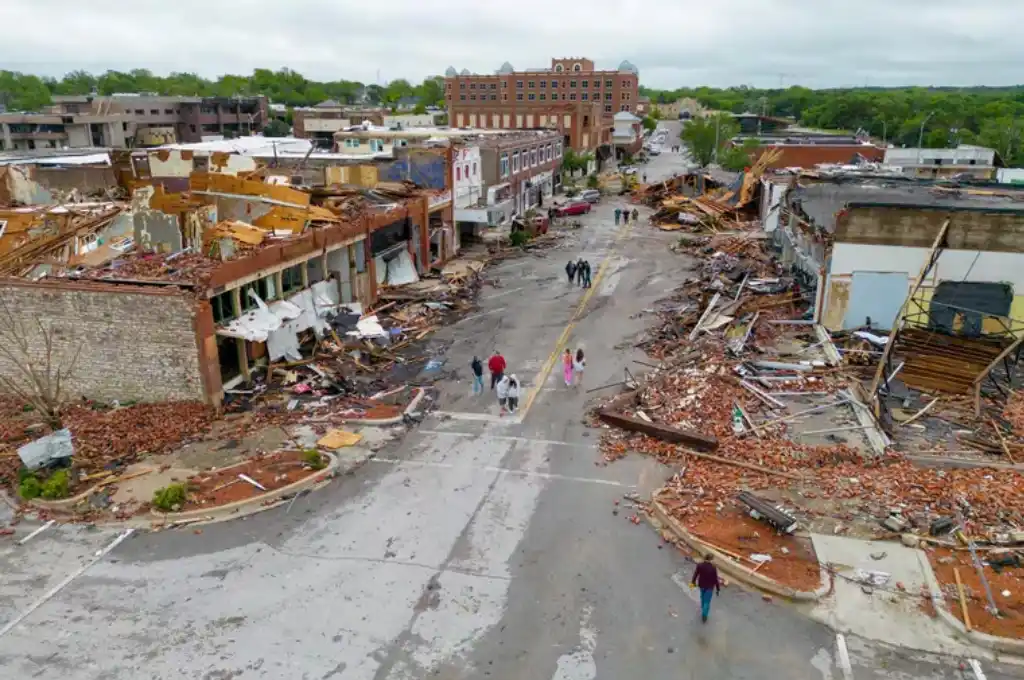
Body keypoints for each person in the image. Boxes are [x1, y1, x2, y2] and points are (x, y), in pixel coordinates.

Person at [691, 554, 721, 623]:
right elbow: (715, 579)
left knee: (702, 597)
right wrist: (718, 589)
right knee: (707, 602)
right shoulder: (713, 568)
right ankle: (704, 615)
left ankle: (702, 607)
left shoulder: (700, 565)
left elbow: (695, 574)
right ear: (711, 559)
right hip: (709, 587)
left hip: (701, 585)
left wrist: (693, 583)